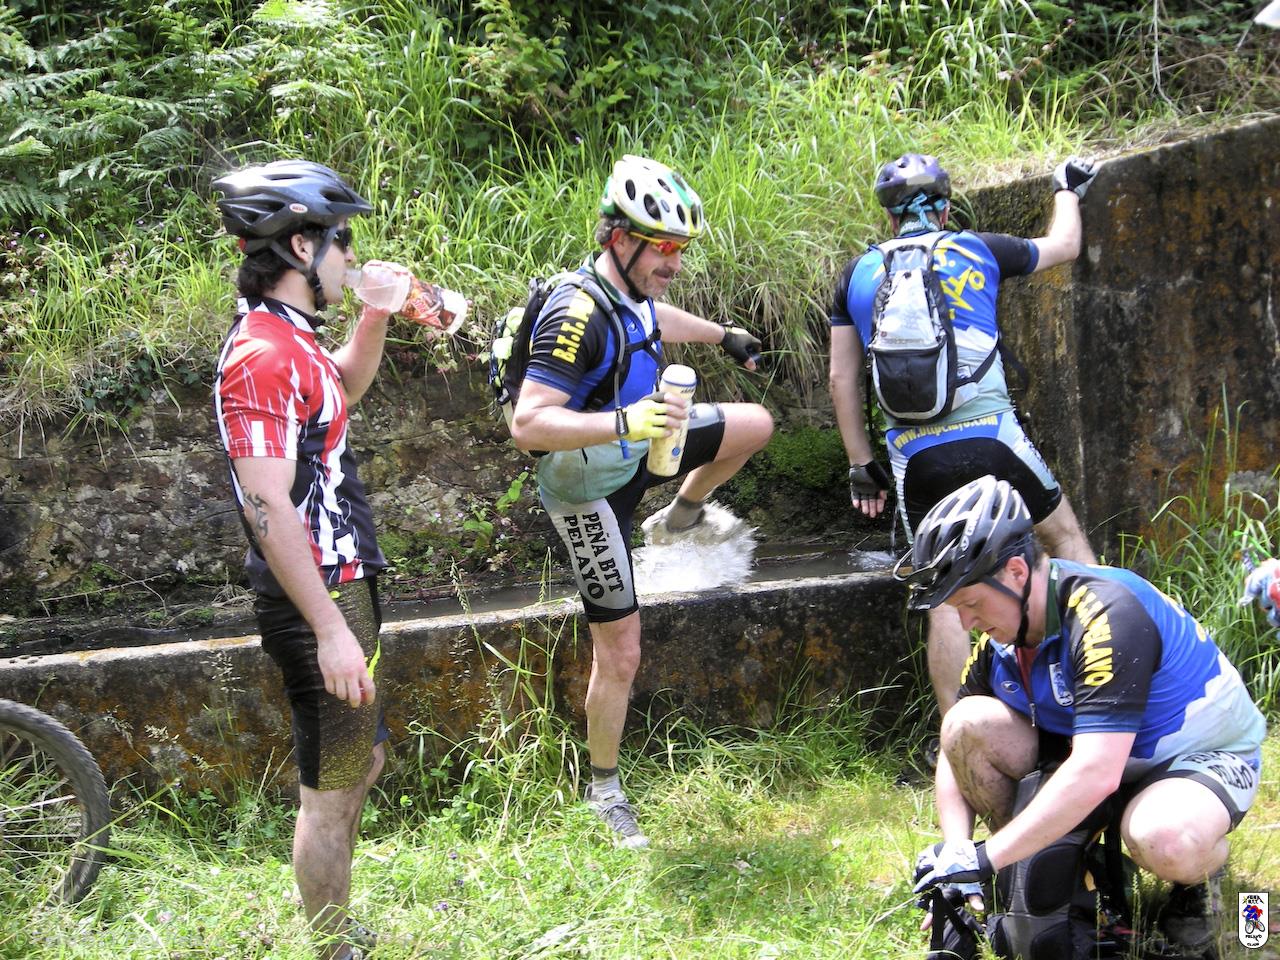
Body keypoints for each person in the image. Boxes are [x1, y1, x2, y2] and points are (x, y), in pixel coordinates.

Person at [509, 154, 774, 847]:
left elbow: (655, 317)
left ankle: (678, 517)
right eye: (663, 248)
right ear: (620, 238)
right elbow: (528, 424)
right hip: (585, 495)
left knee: (754, 425)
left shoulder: (627, 288)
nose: (674, 263)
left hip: (637, 451)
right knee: (620, 653)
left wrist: (723, 335)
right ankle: (604, 790)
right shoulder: (575, 313)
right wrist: (627, 421)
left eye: (680, 249)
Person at [904, 475, 1266, 954]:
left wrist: (986, 858)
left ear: (1016, 571)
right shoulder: (1004, 639)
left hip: (1196, 759)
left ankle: (1202, 882)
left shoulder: (1105, 613)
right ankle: (1045, 872)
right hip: (1104, 758)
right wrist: (958, 855)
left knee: (1165, 838)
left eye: (971, 603)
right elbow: (955, 744)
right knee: (966, 720)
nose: (967, 622)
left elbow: (1096, 772)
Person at [828, 152, 1101, 716]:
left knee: (944, 595)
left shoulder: (856, 275)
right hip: (994, 439)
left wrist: (861, 465)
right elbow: (1065, 245)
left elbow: (841, 378)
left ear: (890, 219)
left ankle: (957, 736)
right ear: (946, 210)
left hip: (915, 458)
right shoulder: (978, 249)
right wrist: (1066, 188)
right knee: (1065, 540)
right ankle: (1106, 680)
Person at [213, 159, 394, 960]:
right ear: (298, 247)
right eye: (340, 241)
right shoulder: (260, 355)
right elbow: (267, 505)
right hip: (313, 593)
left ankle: (337, 929)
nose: (350, 256)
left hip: (341, 580)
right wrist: (328, 629)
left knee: (360, 762)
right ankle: (331, 949)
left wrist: (375, 315)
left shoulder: (294, 338)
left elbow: (338, 394)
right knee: (332, 789)